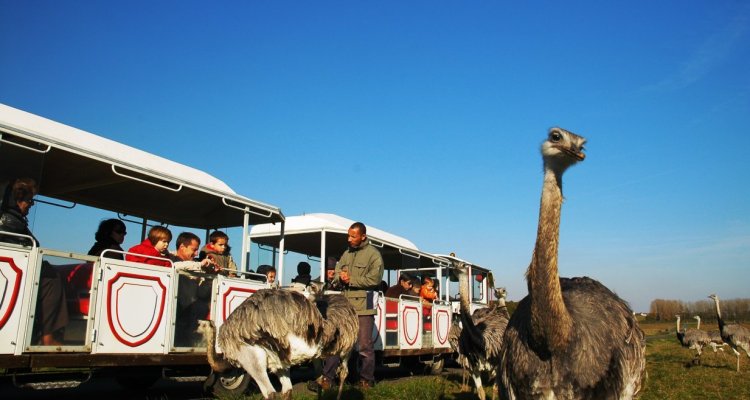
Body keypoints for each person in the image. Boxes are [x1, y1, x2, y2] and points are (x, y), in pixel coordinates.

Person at [311, 221, 384, 391]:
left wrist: (351, 279)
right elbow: (336, 273)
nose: (349, 239)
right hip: (345, 306)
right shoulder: (346, 253)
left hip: (364, 304)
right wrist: (339, 277)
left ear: (363, 236)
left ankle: (366, 380)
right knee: (336, 342)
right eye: (348, 235)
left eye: (353, 236)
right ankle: (327, 379)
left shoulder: (374, 255)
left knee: (365, 345)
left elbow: (375, 279)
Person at [0, 178, 68, 346]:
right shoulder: (11, 221)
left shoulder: (13, 220)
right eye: (29, 201)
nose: (31, 205)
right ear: (17, 200)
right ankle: (48, 335)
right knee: (51, 279)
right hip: (19, 273)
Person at [171, 231, 215, 346]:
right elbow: (176, 267)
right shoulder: (171, 260)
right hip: (178, 316)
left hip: (190, 318)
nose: (196, 254)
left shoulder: (196, 265)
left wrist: (210, 277)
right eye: (193, 249)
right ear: (182, 247)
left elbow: (202, 293)